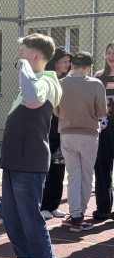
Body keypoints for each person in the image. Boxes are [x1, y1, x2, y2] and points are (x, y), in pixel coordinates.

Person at [0, 33, 62, 258]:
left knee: (30, 217)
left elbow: (34, 101)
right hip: (14, 160)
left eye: (21, 53)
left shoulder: (46, 81)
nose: (17, 58)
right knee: (12, 217)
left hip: (30, 160)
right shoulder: (32, 81)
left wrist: (26, 71)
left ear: (36, 56)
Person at [55, 51, 107, 231]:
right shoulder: (95, 84)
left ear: (71, 66)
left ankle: (74, 213)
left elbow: (56, 111)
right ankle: (79, 216)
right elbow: (102, 112)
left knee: (73, 176)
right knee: (86, 176)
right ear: (89, 67)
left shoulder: (61, 83)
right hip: (88, 135)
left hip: (67, 134)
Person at [40, 47, 72, 220]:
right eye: (65, 61)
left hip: (62, 131)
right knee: (46, 170)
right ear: (56, 62)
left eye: (69, 61)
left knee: (59, 168)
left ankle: (54, 206)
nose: (68, 64)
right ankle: (44, 206)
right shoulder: (47, 79)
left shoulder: (68, 81)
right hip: (46, 131)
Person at [93, 40, 114, 221]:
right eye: (108, 52)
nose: (111, 56)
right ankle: (103, 207)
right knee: (101, 168)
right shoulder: (99, 76)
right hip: (104, 125)